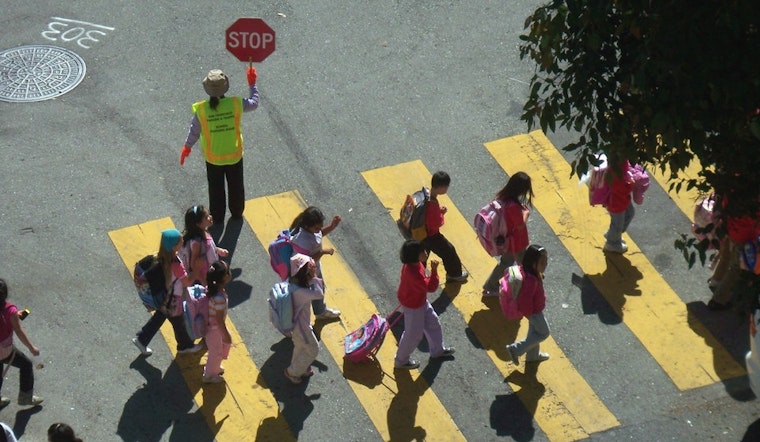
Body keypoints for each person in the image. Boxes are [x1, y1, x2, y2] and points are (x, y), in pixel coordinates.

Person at [179, 66, 260, 223]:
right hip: (234, 155)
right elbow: (254, 103)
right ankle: (237, 212)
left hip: (213, 158)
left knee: (215, 190)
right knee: (236, 187)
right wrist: (252, 83)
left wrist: (187, 147)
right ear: (225, 88)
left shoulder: (202, 110)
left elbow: (194, 131)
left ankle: (217, 216)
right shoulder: (236, 103)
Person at [132, 229, 203, 356]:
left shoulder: (159, 257)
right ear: (174, 246)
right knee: (177, 321)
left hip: (166, 296)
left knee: (162, 318)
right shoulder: (175, 264)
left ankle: (142, 339)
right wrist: (197, 269)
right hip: (172, 298)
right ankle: (184, 345)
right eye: (180, 241)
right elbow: (187, 282)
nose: (183, 242)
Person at [394, 240, 455, 370]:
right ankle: (401, 360)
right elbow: (431, 287)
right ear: (415, 255)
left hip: (419, 301)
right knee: (413, 335)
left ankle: (437, 350)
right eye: (422, 251)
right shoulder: (413, 274)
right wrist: (434, 271)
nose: (426, 252)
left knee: (433, 322)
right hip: (413, 306)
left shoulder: (413, 265)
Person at [482, 172, 534, 296]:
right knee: (512, 263)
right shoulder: (513, 207)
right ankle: (491, 286)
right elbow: (520, 224)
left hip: (509, 240)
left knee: (510, 262)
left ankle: (491, 285)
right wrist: (526, 213)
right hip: (515, 241)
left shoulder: (503, 196)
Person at [708, 192, 760, 310]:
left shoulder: (737, 186)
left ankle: (716, 281)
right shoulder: (754, 199)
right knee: (736, 267)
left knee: (727, 254)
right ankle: (718, 300)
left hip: (732, 229)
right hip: (745, 236)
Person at [289, 206, 342, 320]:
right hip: (304, 273)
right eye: (316, 227)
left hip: (314, 269)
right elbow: (306, 260)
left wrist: (332, 226)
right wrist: (322, 252)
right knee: (309, 294)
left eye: (320, 226)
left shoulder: (311, 231)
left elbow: (319, 234)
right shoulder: (302, 241)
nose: (319, 230)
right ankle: (301, 320)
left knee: (319, 289)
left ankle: (319, 311)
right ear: (307, 226)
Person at [0, 278, 43, 407]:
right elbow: (18, 331)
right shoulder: (9, 310)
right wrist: (31, 348)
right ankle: (26, 397)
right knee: (26, 365)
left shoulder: (10, 312)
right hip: (4, 350)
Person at [505, 244, 551, 365]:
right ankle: (515, 349)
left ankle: (533, 355)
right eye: (542, 262)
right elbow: (525, 301)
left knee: (534, 333)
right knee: (544, 333)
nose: (545, 264)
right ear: (532, 264)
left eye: (546, 261)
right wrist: (531, 314)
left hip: (534, 310)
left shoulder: (532, 273)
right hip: (534, 312)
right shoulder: (531, 281)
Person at [284, 254, 325, 384]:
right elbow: (319, 294)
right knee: (313, 349)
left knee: (300, 347)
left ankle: (302, 367)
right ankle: (292, 372)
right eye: (312, 268)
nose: (314, 268)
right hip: (302, 328)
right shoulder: (300, 292)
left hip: (295, 326)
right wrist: (315, 278)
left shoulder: (293, 285)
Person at [423, 171, 468, 283]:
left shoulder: (426, 193)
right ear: (441, 187)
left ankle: (417, 276)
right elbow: (435, 223)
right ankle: (454, 275)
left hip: (421, 234)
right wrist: (441, 214)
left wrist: (438, 211)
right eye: (446, 186)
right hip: (431, 235)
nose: (447, 189)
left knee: (421, 256)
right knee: (449, 251)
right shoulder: (433, 204)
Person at [182, 205, 229, 285]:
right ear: (198, 224)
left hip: (211, 270)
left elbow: (209, 247)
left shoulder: (204, 232)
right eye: (206, 217)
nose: (210, 217)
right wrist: (203, 281)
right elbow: (193, 265)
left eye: (209, 214)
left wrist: (218, 250)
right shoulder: (197, 243)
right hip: (205, 275)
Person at [202, 261, 232, 384]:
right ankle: (209, 375)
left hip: (210, 327)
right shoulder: (219, 298)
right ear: (225, 277)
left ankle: (214, 367)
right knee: (216, 352)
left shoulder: (210, 290)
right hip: (214, 329)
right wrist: (226, 335)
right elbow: (219, 321)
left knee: (216, 350)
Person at [603, 161, 636, 253]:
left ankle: (613, 234)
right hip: (616, 203)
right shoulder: (615, 172)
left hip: (623, 200)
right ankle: (612, 243)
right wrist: (630, 185)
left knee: (630, 213)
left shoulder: (621, 162)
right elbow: (619, 188)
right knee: (617, 224)